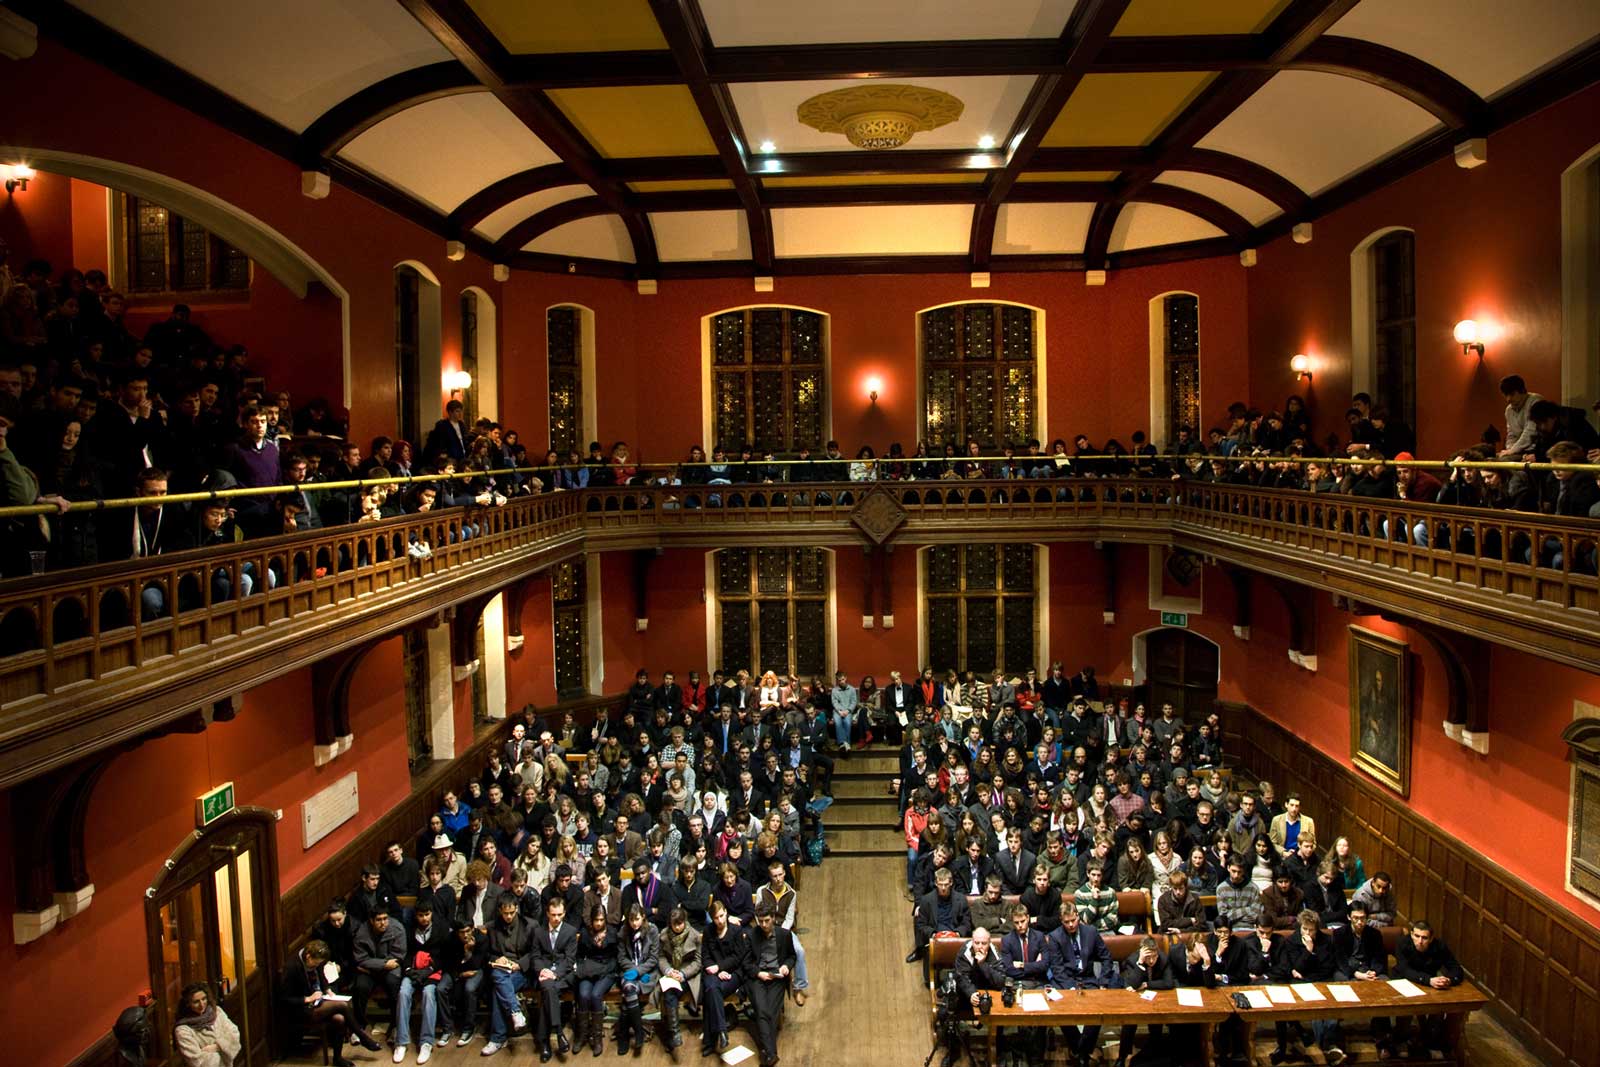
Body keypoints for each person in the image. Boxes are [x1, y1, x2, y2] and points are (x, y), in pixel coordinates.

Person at [279, 939, 368, 1067]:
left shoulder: (317, 962)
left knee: (340, 1019)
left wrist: (328, 990)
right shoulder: (292, 967)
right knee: (342, 1005)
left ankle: (338, 1058)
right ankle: (362, 1036)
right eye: (315, 964)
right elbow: (285, 998)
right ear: (308, 956)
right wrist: (307, 999)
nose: (317, 966)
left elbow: (322, 978)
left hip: (318, 1002)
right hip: (301, 1009)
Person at [1392, 920, 1464, 1057]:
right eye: (1417, 936)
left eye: (1424, 938)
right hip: (1404, 980)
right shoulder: (1402, 943)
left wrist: (1448, 980)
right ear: (1412, 934)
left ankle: (1431, 1042)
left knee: (1437, 1008)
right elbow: (1404, 969)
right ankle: (1401, 1040)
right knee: (1405, 1007)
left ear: (1431, 938)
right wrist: (1428, 980)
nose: (1420, 941)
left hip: (1429, 984)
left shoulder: (1440, 946)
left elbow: (1456, 970)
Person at [393, 900, 451, 1063]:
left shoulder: (441, 928)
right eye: (420, 915)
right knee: (403, 993)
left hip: (432, 972)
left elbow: (445, 956)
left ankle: (426, 1042)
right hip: (413, 971)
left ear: (431, 913)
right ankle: (401, 1042)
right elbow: (404, 954)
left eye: (427, 915)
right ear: (416, 916)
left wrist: (430, 970)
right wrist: (409, 971)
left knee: (428, 994)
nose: (424, 918)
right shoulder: (408, 929)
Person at [746, 899, 796, 1067]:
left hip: (776, 978)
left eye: (767, 920)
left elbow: (791, 956)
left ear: (773, 918)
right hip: (759, 977)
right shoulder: (752, 934)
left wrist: (785, 967)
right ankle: (771, 1054)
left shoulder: (783, 935)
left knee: (771, 1013)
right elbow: (746, 962)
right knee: (761, 1010)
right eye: (761, 921)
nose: (764, 924)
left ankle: (768, 1053)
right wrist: (759, 973)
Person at [946, 927, 1006, 1067]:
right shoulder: (964, 952)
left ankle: (998, 1051)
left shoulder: (994, 952)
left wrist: (982, 964)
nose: (980, 946)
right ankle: (953, 1051)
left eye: (983, 943)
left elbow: (1000, 981)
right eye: (977, 942)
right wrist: (971, 993)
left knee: (1002, 1011)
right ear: (972, 941)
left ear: (989, 942)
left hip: (989, 994)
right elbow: (961, 977)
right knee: (946, 1012)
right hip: (968, 994)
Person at [701, 898, 752, 1057]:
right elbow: (705, 956)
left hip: (732, 973)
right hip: (713, 974)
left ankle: (710, 1041)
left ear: (726, 913)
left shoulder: (736, 931)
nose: (720, 920)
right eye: (716, 918)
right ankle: (722, 1031)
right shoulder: (708, 931)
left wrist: (721, 967)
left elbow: (738, 957)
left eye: (722, 916)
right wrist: (716, 971)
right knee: (711, 989)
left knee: (711, 992)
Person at [351, 906, 405, 1047]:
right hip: (370, 970)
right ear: (371, 921)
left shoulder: (397, 928)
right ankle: (359, 1027)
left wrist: (380, 965)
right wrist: (382, 964)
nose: (383, 923)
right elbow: (360, 959)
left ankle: (395, 1026)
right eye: (379, 920)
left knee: (394, 986)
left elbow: (398, 956)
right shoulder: (362, 932)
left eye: (385, 919)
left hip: (389, 969)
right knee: (360, 987)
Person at [657, 906, 702, 1057]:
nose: (677, 927)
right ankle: (674, 1033)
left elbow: (697, 962)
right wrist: (669, 971)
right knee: (669, 993)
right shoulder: (664, 935)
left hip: (687, 975)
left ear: (685, 921)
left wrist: (683, 974)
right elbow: (661, 957)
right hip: (670, 972)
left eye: (679, 923)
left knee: (673, 992)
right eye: (674, 924)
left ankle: (672, 1033)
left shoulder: (694, 935)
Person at [572, 904, 617, 1055]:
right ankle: (582, 1035)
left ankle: (597, 1038)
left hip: (607, 971)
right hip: (589, 969)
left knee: (596, 995)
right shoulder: (585, 933)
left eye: (601, 919)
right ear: (591, 920)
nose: (598, 923)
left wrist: (604, 968)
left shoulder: (612, 933)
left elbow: (616, 958)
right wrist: (580, 967)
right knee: (584, 995)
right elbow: (579, 955)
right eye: (596, 920)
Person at [910, 867, 973, 962]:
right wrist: (933, 934)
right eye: (940, 885)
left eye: (946, 885)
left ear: (951, 883)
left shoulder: (961, 899)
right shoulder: (926, 900)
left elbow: (966, 922)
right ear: (935, 883)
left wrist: (957, 934)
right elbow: (921, 925)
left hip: (955, 936)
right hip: (935, 937)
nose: (943, 888)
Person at [172, 982, 242, 1067]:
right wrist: (225, 1050)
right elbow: (197, 1062)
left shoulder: (217, 1012)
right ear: (188, 1004)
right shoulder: (183, 1030)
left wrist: (216, 1047)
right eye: (196, 1002)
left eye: (204, 999)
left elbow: (234, 1036)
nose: (201, 1004)